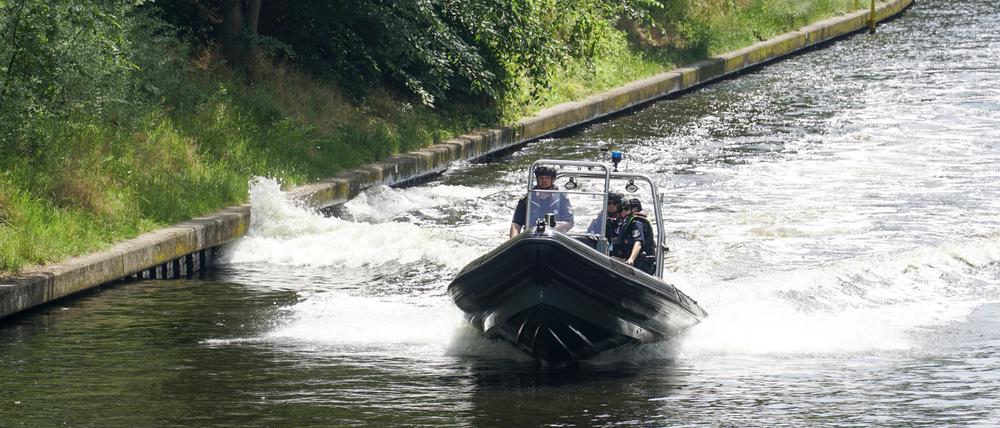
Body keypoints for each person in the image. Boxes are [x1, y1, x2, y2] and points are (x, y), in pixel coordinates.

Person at [510, 166, 574, 237]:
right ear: (537, 179)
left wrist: (551, 229)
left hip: (554, 238)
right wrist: (513, 240)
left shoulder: (562, 198)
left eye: (547, 178)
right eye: (541, 178)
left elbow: (569, 222)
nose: (544, 181)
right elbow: (516, 224)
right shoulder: (527, 199)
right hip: (531, 238)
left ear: (552, 179)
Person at [617, 198, 655, 275]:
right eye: (621, 209)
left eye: (626, 209)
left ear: (633, 209)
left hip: (641, 265)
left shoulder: (636, 223)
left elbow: (638, 243)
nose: (623, 212)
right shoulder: (626, 223)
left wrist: (631, 259)